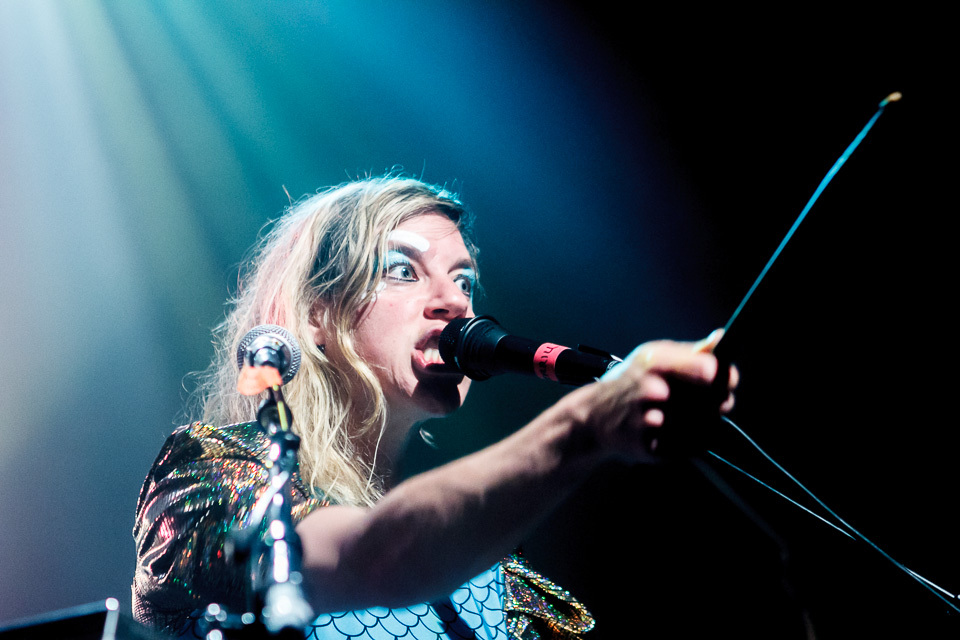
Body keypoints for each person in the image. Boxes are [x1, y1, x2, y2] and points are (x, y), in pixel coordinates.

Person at [132, 176, 737, 638]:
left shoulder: (493, 572)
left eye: (465, 280)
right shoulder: (209, 474)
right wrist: (583, 427)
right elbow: (374, 557)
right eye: (402, 271)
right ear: (318, 314)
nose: (454, 302)